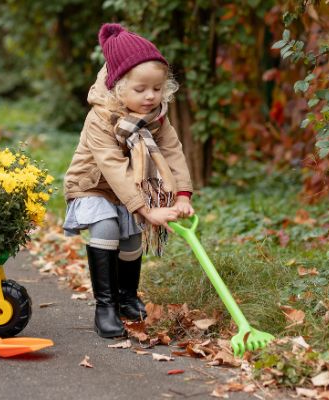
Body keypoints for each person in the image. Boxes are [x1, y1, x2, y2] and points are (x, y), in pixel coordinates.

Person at [62, 23, 195, 338]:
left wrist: (183, 195)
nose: (150, 96)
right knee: (108, 226)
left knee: (132, 236)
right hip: (92, 185)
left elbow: (172, 152)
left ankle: (127, 296)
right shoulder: (100, 118)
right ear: (118, 87)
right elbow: (113, 166)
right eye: (141, 89)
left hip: (128, 190)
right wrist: (147, 209)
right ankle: (105, 306)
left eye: (157, 88)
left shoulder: (156, 116)